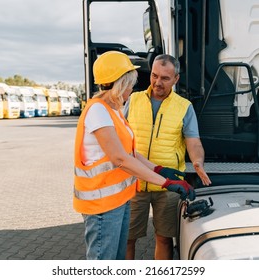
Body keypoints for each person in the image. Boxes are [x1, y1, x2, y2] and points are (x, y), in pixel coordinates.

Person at [73, 51, 195, 260]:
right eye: (130, 84)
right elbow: (120, 159)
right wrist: (166, 182)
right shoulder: (98, 112)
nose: (132, 89)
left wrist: (158, 169)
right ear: (121, 83)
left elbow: (130, 153)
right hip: (102, 206)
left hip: (118, 201)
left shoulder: (113, 111)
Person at [124, 54, 212, 260]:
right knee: (128, 238)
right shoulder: (133, 100)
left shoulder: (184, 107)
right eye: (154, 75)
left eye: (165, 78)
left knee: (164, 238)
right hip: (135, 181)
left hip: (169, 185)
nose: (157, 82)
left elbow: (194, 142)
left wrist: (198, 162)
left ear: (176, 79)